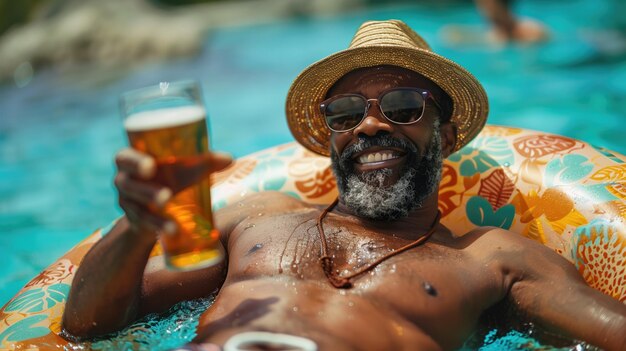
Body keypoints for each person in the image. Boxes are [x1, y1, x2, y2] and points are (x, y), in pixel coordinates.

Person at [62, 20, 626, 351]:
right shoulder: (261, 217)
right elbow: (87, 327)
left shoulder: (490, 258)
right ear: (330, 135)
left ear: (447, 134)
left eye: (404, 106)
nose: (371, 124)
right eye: (346, 112)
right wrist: (135, 228)